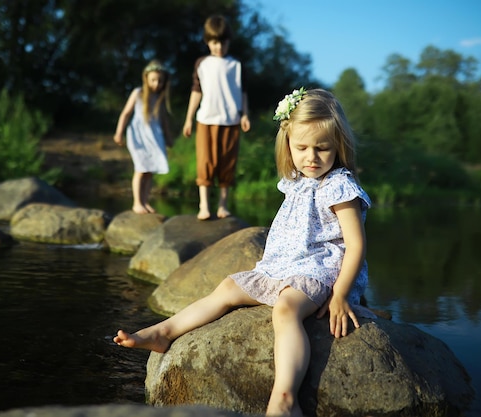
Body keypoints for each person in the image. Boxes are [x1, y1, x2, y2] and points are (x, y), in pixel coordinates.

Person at [114, 88, 375, 417]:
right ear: (288, 145)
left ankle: (285, 397)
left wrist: (340, 295)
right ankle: (163, 332)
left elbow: (357, 244)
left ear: (338, 146)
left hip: (318, 272)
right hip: (280, 267)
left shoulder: (339, 186)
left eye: (322, 148)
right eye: (302, 147)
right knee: (226, 288)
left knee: (285, 310)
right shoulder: (296, 181)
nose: (311, 156)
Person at [182, 14, 251, 220]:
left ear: (228, 41)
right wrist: (188, 118)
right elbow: (196, 91)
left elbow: (243, 92)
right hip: (206, 119)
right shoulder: (202, 63)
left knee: (227, 163)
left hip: (231, 121)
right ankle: (203, 205)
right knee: (205, 162)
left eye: (222, 42)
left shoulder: (236, 65)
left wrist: (245, 114)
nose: (218, 47)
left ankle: (222, 205)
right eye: (214, 42)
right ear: (207, 42)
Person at [114, 60, 173, 214]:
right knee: (140, 168)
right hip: (139, 135)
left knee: (149, 170)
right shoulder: (138, 93)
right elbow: (126, 113)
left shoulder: (159, 98)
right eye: (153, 80)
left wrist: (168, 137)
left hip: (154, 136)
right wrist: (119, 132)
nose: (157, 83)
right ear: (146, 78)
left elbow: (164, 120)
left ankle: (145, 201)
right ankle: (137, 202)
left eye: (160, 80)